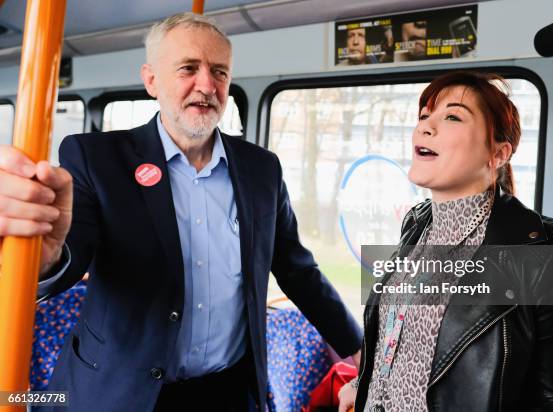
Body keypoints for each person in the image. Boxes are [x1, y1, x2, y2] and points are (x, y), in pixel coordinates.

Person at [0, 12, 362, 411]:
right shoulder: (97, 158)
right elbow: (69, 255)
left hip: (225, 390)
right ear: (151, 80)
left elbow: (297, 269)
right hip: (121, 390)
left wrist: (359, 348)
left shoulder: (262, 169)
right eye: (188, 68)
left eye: (219, 72)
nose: (206, 85)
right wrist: (45, 258)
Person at [338, 71, 553, 411]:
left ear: (498, 154)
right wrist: (363, 383)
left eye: (453, 116)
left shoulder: (544, 250)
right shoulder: (417, 225)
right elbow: (402, 337)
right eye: (425, 115)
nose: (425, 127)